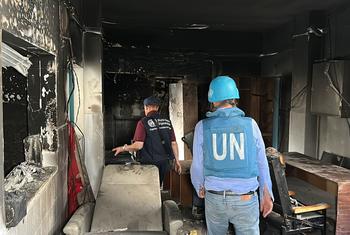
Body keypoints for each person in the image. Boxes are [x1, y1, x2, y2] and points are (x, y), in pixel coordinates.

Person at [190, 76, 274, 235]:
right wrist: (266, 193)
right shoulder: (251, 124)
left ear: (212, 100)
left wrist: (199, 186)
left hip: (214, 199)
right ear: (234, 98)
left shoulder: (202, 127)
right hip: (245, 199)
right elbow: (262, 162)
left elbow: (197, 165)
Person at [113, 96, 182, 184]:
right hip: (165, 162)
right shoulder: (167, 121)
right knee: (158, 185)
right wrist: (177, 161)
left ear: (146, 107)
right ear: (157, 108)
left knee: (149, 187)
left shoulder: (143, 122)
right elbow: (174, 143)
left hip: (150, 163)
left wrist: (123, 148)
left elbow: (138, 145)